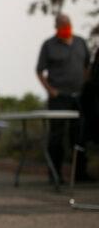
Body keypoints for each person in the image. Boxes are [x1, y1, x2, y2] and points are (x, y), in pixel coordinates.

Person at [36, 13, 91, 182]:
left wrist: (85, 85)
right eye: (62, 25)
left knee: (79, 136)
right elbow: (40, 71)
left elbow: (87, 66)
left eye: (67, 24)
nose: (65, 28)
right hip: (59, 97)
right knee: (56, 137)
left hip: (79, 97)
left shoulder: (81, 42)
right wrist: (50, 90)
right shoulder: (49, 45)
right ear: (56, 27)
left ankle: (80, 174)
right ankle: (55, 174)